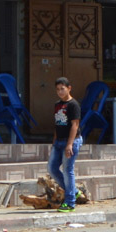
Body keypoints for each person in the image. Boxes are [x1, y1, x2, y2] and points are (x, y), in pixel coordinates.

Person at [47, 77, 82, 213]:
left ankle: (70, 202)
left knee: (68, 169)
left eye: (62, 89)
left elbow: (75, 125)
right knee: (52, 168)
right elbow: (57, 124)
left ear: (69, 88)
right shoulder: (57, 105)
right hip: (59, 141)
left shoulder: (73, 105)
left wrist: (69, 144)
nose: (60, 92)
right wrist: (55, 140)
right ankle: (74, 191)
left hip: (71, 141)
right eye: (58, 89)